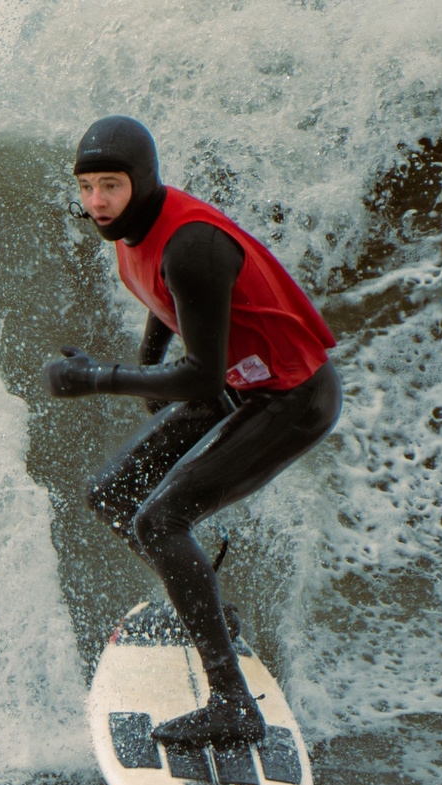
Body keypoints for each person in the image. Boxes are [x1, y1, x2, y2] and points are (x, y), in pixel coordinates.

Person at [44, 116, 341, 748]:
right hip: (242, 380)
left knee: (160, 521)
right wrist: (152, 373)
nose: (96, 202)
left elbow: (202, 379)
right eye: (87, 185)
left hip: (290, 395)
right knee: (114, 496)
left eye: (111, 186)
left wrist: (100, 378)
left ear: (144, 182)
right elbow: (166, 304)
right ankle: (215, 615)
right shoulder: (127, 226)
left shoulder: (192, 244)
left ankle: (234, 705)